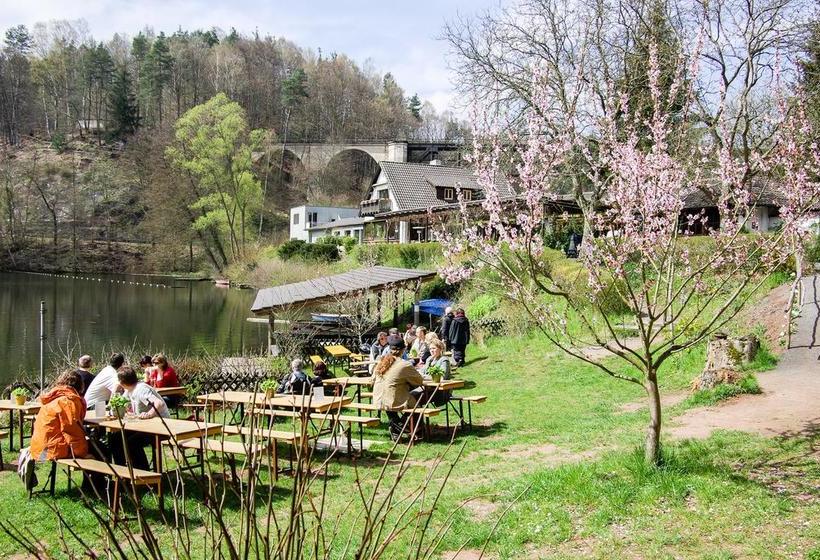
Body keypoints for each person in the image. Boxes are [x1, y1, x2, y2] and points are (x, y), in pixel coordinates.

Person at [110, 366, 169, 471]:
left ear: (122, 382)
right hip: (143, 427)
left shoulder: (141, 389)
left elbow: (158, 403)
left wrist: (149, 414)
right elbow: (118, 405)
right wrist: (114, 393)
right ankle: (124, 472)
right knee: (115, 438)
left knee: (131, 442)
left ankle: (143, 473)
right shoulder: (129, 390)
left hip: (159, 427)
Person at [372, 335, 424, 442]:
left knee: (392, 401)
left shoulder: (381, 362)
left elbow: (372, 379)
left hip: (378, 399)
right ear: (404, 350)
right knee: (418, 405)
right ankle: (410, 430)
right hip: (392, 399)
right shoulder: (404, 364)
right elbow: (419, 381)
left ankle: (396, 426)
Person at [29, 370, 88, 462]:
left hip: (39, 450)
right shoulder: (67, 401)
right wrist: (83, 453)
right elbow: (72, 430)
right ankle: (104, 475)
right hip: (53, 451)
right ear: (80, 385)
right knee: (99, 448)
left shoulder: (53, 398)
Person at [422, 340, 452, 406]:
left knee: (414, 398)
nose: (431, 350)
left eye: (434, 348)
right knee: (411, 395)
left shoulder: (444, 360)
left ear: (440, 349)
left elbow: (442, 377)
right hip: (428, 389)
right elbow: (422, 373)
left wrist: (425, 377)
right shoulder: (429, 359)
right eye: (430, 348)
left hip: (440, 391)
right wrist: (427, 362)